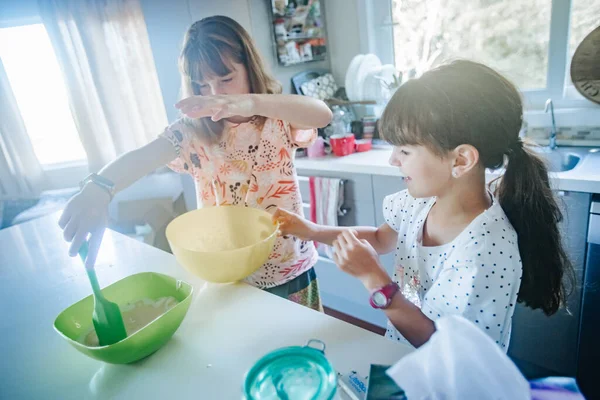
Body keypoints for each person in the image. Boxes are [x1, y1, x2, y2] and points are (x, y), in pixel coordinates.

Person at [274, 60, 574, 348]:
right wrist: (312, 230)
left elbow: (442, 347)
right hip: (405, 356)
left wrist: (373, 278)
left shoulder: (485, 249)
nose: (393, 160)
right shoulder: (420, 203)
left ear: (461, 160)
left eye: (404, 150)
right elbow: (380, 238)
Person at [59, 15, 332, 311]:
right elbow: (144, 156)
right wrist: (99, 188)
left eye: (226, 79)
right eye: (203, 85)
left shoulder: (278, 115)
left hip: (288, 266)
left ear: (249, 67)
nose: (216, 94)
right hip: (229, 275)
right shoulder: (192, 131)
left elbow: (322, 114)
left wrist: (251, 102)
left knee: (304, 351)